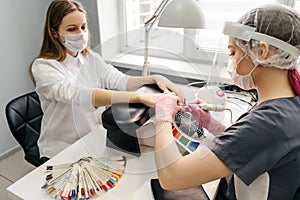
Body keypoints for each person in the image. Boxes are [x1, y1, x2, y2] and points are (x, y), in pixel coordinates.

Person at [154, 4, 300, 199]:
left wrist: (162, 115)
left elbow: (172, 177)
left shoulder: (269, 123)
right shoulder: (287, 103)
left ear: (262, 51)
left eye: (233, 53)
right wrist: (214, 127)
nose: (231, 61)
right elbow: (254, 147)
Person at [29, 0, 184, 159]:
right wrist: (138, 97)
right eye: (72, 29)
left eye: (83, 27)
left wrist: (154, 78)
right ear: (55, 33)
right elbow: (78, 94)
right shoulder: (43, 67)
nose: (81, 33)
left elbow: (121, 81)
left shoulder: (91, 59)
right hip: (63, 148)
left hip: (95, 136)